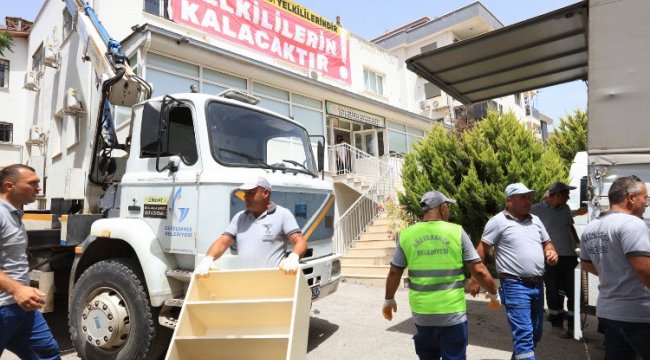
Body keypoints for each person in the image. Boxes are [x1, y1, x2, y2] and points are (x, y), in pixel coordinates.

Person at [383, 190, 499, 360]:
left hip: (423, 314)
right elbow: (479, 269)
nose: (449, 210)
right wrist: (494, 293)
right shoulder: (456, 232)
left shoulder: (407, 234)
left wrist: (388, 299)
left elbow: (394, 271)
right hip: (452, 313)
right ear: (442, 207)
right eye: (448, 207)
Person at [470, 182, 558, 360]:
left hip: (538, 284)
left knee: (535, 334)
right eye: (523, 197)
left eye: (529, 197)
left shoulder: (536, 220)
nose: (528, 201)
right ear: (510, 200)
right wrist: (475, 277)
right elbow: (481, 250)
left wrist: (552, 252)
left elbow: (547, 243)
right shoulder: (498, 222)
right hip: (514, 285)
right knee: (524, 335)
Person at [579, 175, 650, 360]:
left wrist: (614, 272)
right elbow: (645, 270)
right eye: (645, 198)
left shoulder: (591, 227)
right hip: (637, 313)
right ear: (631, 198)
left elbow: (586, 263)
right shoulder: (632, 224)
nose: (647, 204)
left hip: (608, 312)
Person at [0, 164, 61, 359]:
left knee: (46, 352)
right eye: (32, 183)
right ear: (10, 186)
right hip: (3, 307)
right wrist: (17, 289)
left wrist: (23, 289)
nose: (39, 187)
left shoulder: (15, 214)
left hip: (23, 308)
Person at [194, 176, 307, 276]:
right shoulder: (239, 217)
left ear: (265, 193)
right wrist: (208, 259)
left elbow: (300, 241)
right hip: (245, 282)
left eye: (251, 193)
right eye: (245, 194)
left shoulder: (282, 214)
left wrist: (293, 257)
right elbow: (222, 242)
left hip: (273, 282)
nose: (245, 198)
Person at [530, 181, 581, 338]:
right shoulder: (535, 210)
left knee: (575, 293)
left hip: (569, 257)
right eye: (566, 194)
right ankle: (557, 325)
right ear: (557, 195)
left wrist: (578, 243)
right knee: (553, 293)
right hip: (549, 258)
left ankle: (574, 327)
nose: (568, 197)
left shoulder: (565, 209)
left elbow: (569, 227)